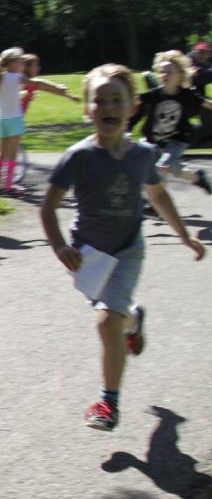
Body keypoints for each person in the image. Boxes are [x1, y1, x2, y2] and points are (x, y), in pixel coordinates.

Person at [39, 64, 206, 432]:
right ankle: (133, 319)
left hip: (128, 250)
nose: (109, 106)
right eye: (100, 100)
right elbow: (48, 207)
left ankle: (107, 402)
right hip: (87, 256)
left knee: (106, 321)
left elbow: (158, 194)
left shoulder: (142, 155)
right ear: (88, 109)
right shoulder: (78, 156)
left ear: (132, 107)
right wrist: (60, 247)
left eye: (117, 99)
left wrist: (183, 235)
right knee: (114, 317)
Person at [0, 47, 76, 194]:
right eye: (20, 62)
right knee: (12, 154)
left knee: (2, 154)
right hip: (14, 120)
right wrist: (56, 86)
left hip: (1, 120)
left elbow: (8, 96)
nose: (22, 65)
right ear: (12, 63)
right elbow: (37, 83)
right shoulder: (15, 77)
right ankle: (8, 184)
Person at [127, 50, 212, 195]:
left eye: (169, 72)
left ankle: (156, 201)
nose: (164, 75)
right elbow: (134, 101)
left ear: (180, 75)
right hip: (155, 140)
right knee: (176, 170)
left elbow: (207, 103)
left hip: (176, 141)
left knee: (162, 166)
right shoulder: (155, 94)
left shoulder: (186, 94)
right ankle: (198, 178)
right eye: (162, 72)